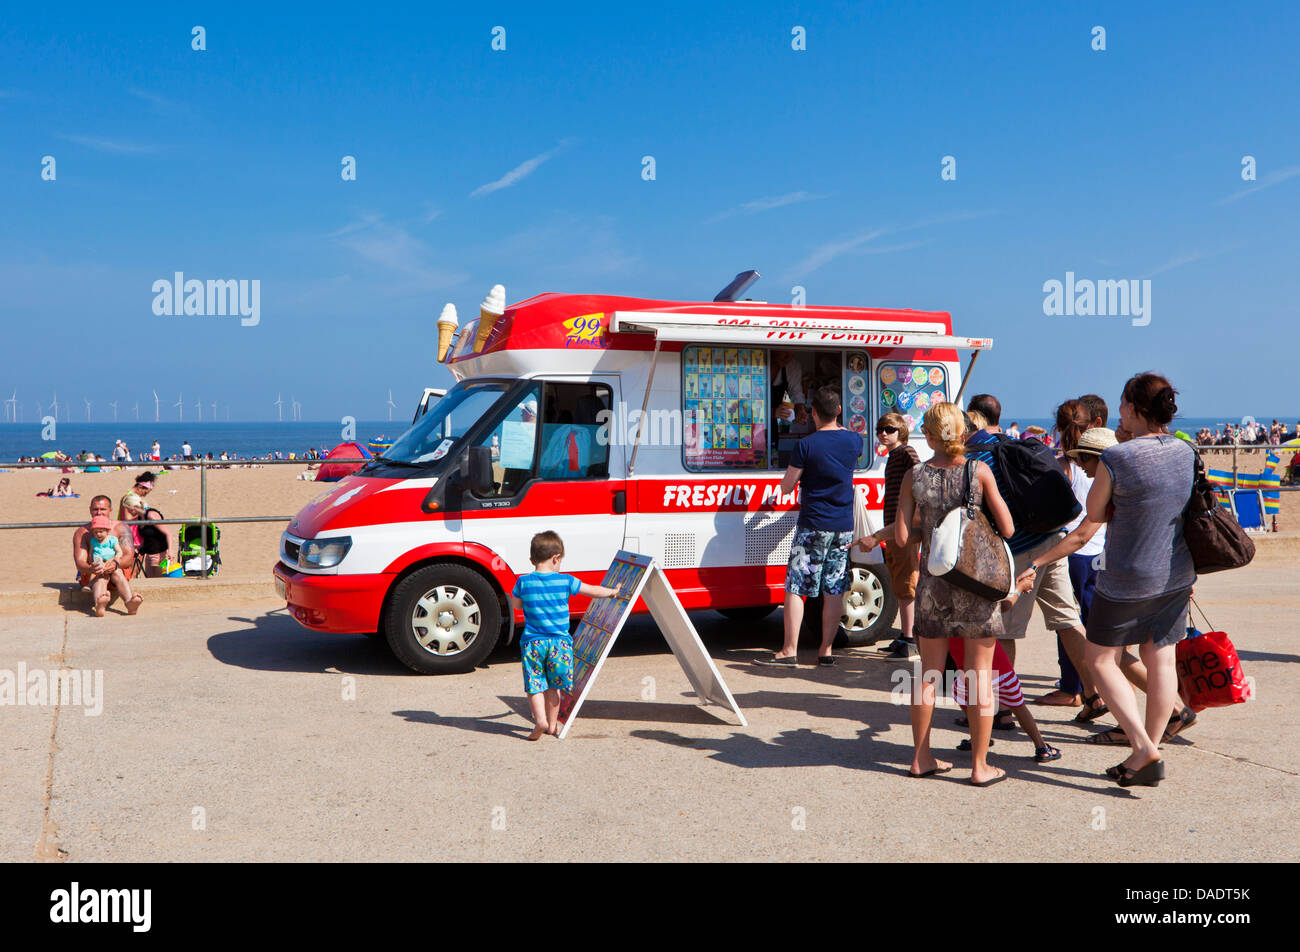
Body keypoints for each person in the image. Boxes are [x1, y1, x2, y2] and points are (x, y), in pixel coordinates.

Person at [1023, 374, 1194, 787]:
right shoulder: (1186, 453)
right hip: (1176, 572)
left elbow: (1088, 523)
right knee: (1161, 658)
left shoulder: (1118, 459)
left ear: (1135, 409)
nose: (1119, 413)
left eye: (1122, 405)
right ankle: (1145, 752)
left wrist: (1039, 561)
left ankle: (1144, 747)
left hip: (1127, 576)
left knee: (1101, 660)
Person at [896, 402, 1016, 785]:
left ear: (929, 436)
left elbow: (901, 537)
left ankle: (922, 758)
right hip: (975, 588)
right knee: (979, 677)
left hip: (933, 586)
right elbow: (1009, 528)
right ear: (963, 435)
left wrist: (931, 532)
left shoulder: (914, 476)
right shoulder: (978, 471)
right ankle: (980, 767)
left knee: (929, 675)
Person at [964, 394, 1087, 681]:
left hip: (1019, 552)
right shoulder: (1011, 444)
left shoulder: (975, 459)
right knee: (1067, 620)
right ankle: (1093, 694)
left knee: (1006, 630)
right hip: (1050, 541)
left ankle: (1005, 709)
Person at [758, 387, 863, 667]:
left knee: (796, 585)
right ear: (839, 410)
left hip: (813, 524)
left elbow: (788, 485)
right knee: (834, 588)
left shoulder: (806, 445)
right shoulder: (855, 441)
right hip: (843, 526)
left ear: (813, 413)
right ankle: (826, 651)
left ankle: (788, 650)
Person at [509, 531, 619, 740]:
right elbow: (593, 591)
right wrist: (612, 592)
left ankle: (539, 721)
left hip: (533, 642)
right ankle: (552, 725)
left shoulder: (523, 582)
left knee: (535, 684)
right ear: (555, 558)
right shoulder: (566, 581)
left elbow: (515, 606)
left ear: (532, 559)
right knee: (554, 686)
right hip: (560, 644)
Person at [950, 576, 1062, 763]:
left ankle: (978, 737)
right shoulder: (977, 600)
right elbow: (1005, 605)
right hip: (999, 670)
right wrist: (1019, 587)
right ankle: (1041, 746)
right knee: (1018, 706)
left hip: (966, 674)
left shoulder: (940, 611)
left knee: (967, 700)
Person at [857, 412, 920, 660]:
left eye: (889, 429)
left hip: (901, 528)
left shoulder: (906, 453)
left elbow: (920, 475)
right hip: (894, 528)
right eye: (880, 429)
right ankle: (905, 635)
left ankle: (910, 639)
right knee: (899, 580)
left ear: (901, 430)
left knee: (906, 583)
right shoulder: (894, 455)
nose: (883, 433)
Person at [72, 495, 140, 613]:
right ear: (90, 510)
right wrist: (92, 568)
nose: (99, 513)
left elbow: (129, 557)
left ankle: (129, 603)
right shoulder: (82, 532)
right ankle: (99, 604)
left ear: (110, 510)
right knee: (101, 576)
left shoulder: (121, 527)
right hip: (92, 575)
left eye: (103, 509)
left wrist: (115, 564)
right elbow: (80, 562)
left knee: (116, 572)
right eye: (95, 509)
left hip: (117, 570)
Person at [86, 516, 140, 616]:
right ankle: (99, 604)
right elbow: (90, 554)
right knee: (101, 579)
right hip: (100, 565)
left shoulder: (112, 540)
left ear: (107, 531)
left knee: (119, 574)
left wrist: (115, 561)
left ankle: (129, 602)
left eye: (101, 531)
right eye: (96, 532)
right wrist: (92, 562)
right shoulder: (93, 541)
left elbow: (119, 552)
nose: (98, 534)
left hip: (112, 563)